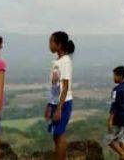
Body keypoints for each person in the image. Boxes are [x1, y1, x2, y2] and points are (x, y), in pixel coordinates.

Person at [46, 31, 75, 160]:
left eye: (51, 42)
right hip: (55, 103)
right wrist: (49, 104)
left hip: (63, 103)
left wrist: (59, 108)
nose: (49, 45)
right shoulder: (57, 62)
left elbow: (65, 86)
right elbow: (54, 86)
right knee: (55, 135)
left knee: (59, 134)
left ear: (59, 44)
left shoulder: (65, 61)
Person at [105, 66, 124, 159]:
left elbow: (114, 105)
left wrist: (110, 120)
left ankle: (123, 154)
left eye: (115, 75)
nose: (113, 77)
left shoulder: (116, 90)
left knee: (108, 139)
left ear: (120, 76)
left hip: (119, 118)